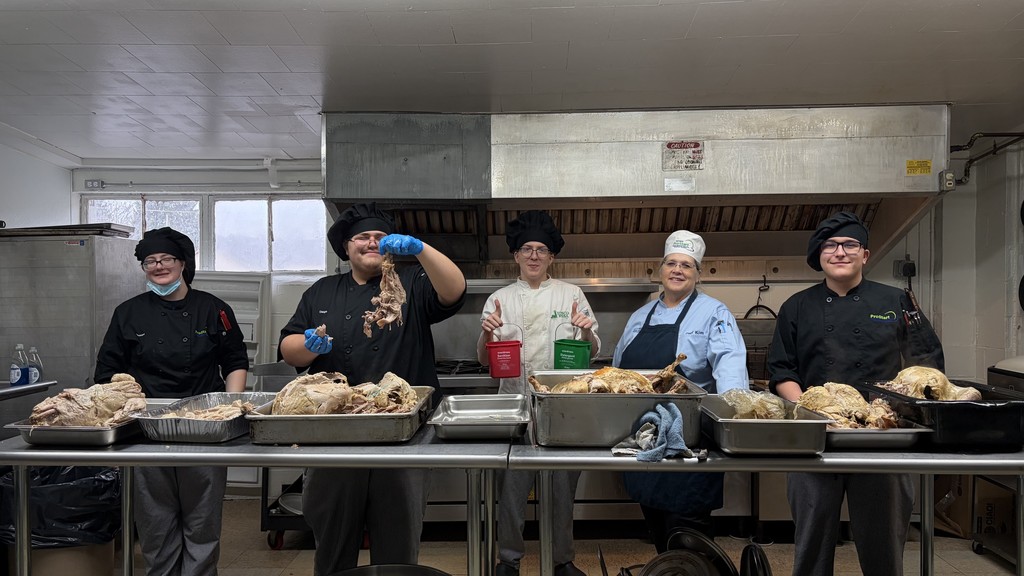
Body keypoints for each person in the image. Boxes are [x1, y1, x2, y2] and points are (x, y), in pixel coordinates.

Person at [279, 202, 466, 576]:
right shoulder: (322, 291)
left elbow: (454, 290)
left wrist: (420, 249)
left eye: (380, 237)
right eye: (362, 237)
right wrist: (308, 345)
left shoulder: (409, 282)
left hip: (402, 434)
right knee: (331, 539)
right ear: (346, 247)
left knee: (398, 541)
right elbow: (288, 348)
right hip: (334, 434)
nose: (371, 243)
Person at [767, 210, 944, 576]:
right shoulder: (796, 306)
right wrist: (811, 410)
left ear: (865, 254)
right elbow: (781, 370)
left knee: (883, 544)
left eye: (850, 244)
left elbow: (927, 363)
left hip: (882, 437)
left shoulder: (897, 301)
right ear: (819, 256)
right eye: (830, 245)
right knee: (812, 541)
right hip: (817, 437)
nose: (840, 252)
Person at [94, 227, 249, 576]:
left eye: (166, 259)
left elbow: (236, 360)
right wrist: (129, 404)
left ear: (182, 263)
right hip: (146, 429)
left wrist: (232, 408)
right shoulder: (128, 313)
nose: (158, 266)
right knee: (155, 521)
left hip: (204, 428)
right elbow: (106, 372)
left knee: (202, 519)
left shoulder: (213, 309)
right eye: (150, 261)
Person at [476, 210, 599, 576]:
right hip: (512, 406)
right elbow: (484, 359)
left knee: (562, 490)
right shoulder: (499, 298)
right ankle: (508, 560)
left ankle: (563, 559)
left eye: (541, 250)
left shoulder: (571, 294)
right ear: (515, 255)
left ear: (551, 258)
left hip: (561, 408)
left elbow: (592, 351)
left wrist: (586, 330)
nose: (533, 255)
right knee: (511, 490)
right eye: (526, 248)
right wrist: (487, 333)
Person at [613, 229, 748, 551]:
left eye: (687, 265)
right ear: (659, 270)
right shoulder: (639, 316)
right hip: (644, 436)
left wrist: (735, 416)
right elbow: (620, 373)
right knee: (656, 524)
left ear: (698, 274)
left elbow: (729, 365)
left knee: (688, 529)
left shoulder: (715, 312)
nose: (677, 270)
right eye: (671, 263)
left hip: (689, 438)